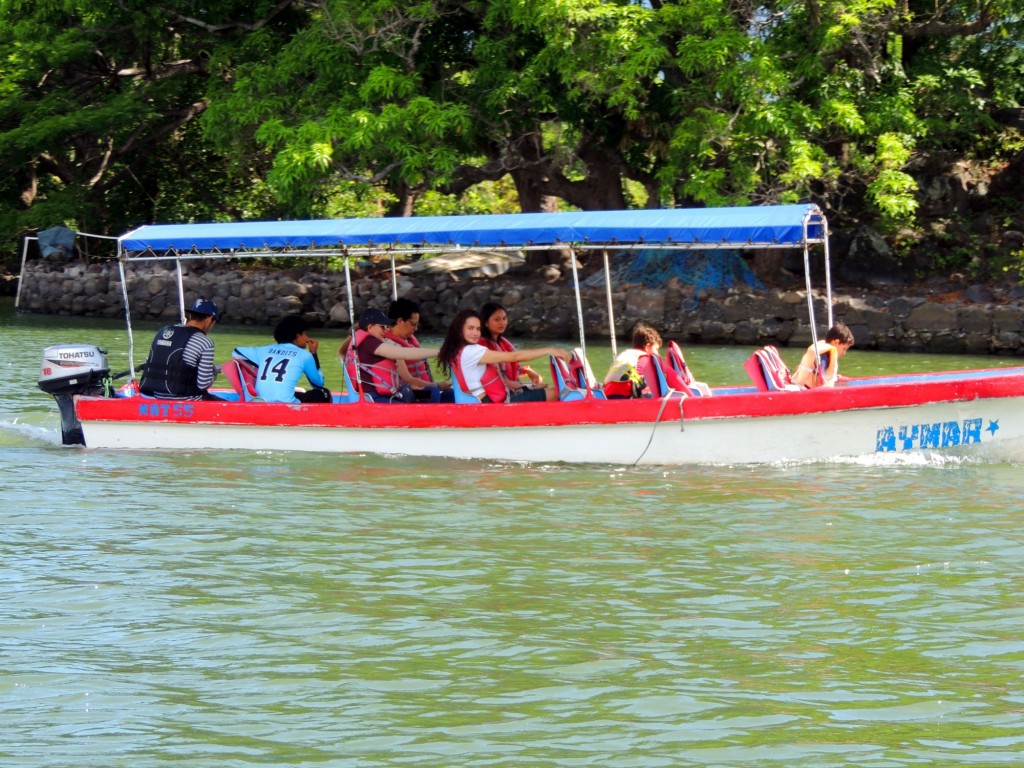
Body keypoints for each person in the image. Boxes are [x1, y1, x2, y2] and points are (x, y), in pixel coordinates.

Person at [437, 308, 568, 402]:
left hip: (486, 400)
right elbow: (514, 357)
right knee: (554, 393)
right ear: (460, 330)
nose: (476, 333)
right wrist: (549, 350)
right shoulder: (472, 351)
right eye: (470, 328)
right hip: (491, 403)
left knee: (540, 392)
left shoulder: (459, 349)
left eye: (478, 329)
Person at [345, 307, 440, 403]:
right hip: (373, 398)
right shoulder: (369, 343)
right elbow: (402, 353)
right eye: (382, 327)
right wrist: (440, 352)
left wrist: (410, 386)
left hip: (384, 394)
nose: (385, 330)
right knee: (432, 394)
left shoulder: (368, 342)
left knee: (431, 393)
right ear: (370, 327)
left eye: (386, 327)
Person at [232, 315, 332, 403]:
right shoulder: (305, 355)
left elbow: (236, 352)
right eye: (305, 334)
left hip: (261, 401)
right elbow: (318, 383)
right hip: (287, 403)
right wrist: (313, 353)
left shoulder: (265, 350)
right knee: (324, 393)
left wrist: (255, 370)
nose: (307, 338)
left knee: (295, 392)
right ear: (297, 336)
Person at [139, 298, 224, 400]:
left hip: (157, 396)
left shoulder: (162, 332)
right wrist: (214, 372)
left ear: (191, 315)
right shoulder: (205, 341)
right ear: (209, 319)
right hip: (187, 400)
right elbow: (203, 384)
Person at [384, 297, 454, 403]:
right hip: (408, 392)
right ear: (400, 321)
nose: (415, 328)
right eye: (413, 324)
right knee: (433, 392)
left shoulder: (411, 341)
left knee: (452, 394)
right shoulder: (389, 345)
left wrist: (437, 385)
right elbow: (407, 378)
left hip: (427, 387)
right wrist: (437, 385)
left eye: (417, 324)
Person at [602, 322, 690, 398]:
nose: (658, 354)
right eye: (656, 349)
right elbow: (673, 377)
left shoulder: (625, 355)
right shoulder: (648, 359)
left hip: (608, 397)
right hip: (627, 402)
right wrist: (691, 396)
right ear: (647, 347)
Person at [480, 301, 545, 392]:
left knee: (545, 388)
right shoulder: (482, 347)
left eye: (504, 318)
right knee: (551, 393)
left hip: (511, 389)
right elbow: (495, 379)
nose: (502, 323)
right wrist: (527, 388)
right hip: (499, 395)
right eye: (497, 319)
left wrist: (527, 371)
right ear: (486, 323)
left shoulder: (502, 343)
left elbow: (509, 369)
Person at [791, 323, 854, 388]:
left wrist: (834, 377)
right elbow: (822, 383)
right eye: (844, 349)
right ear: (836, 342)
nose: (844, 353)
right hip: (805, 390)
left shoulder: (825, 353)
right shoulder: (823, 357)